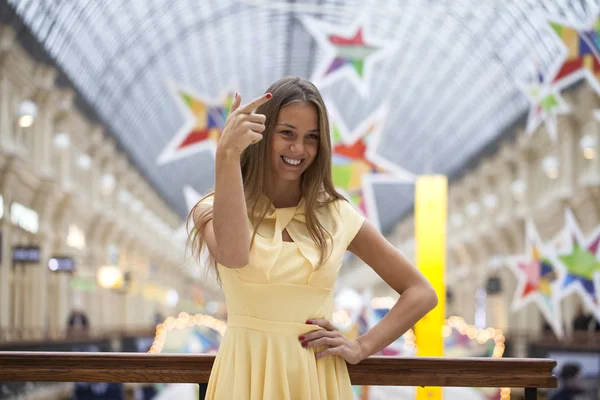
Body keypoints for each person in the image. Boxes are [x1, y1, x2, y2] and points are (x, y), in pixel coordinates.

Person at [187, 77, 438, 399]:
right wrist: (227, 154)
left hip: (317, 379)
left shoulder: (337, 215)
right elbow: (235, 256)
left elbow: (421, 292)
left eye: (311, 138)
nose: (298, 149)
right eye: (287, 134)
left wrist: (361, 346)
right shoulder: (210, 209)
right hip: (245, 376)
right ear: (262, 136)